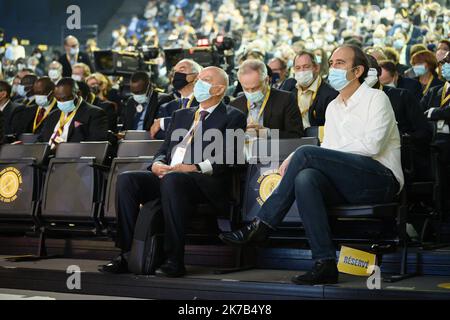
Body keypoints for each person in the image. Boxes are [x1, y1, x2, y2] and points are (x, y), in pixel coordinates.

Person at [219, 45, 404, 286]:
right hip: (346, 181)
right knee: (306, 178)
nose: (333, 68)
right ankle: (324, 262)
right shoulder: (334, 106)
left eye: (340, 63)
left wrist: (304, 153)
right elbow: (328, 149)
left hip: (380, 179)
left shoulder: (377, 98)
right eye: (333, 63)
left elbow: (371, 147)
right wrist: (307, 155)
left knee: (306, 154)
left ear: (357, 70)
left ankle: (262, 224)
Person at [100, 66, 247, 277]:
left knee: (174, 180)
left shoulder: (234, 116)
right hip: (169, 173)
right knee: (127, 180)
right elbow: (162, 151)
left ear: (219, 89)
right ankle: (127, 254)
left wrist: (194, 167)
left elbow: (231, 157)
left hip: (202, 181)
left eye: (205, 80)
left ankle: (174, 259)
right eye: (198, 79)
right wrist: (157, 164)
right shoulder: (181, 115)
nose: (198, 83)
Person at [366, 55, 432, 181]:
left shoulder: (402, 96)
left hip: (399, 158)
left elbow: (424, 132)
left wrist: (402, 139)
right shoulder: (350, 101)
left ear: (378, 73)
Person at [230, 59, 303, 139]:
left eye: (255, 88)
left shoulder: (286, 100)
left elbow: (296, 135)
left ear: (267, 80)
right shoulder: (235, 105)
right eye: (246, 89)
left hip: (275, 150)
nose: (250, 92)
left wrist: (267, 133)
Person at [38, 78, 108, 145]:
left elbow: (95, 143)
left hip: (72, 155)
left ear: (78, 94)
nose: (61, 102)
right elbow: (40, 140)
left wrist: (63, 149)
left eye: (65, 98)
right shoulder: (53, 114)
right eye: (58, 99)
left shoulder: (95, 113)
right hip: (48, 155)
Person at [151, 59, 201, 140]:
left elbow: (201, 126)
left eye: (182, 70)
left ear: (197, 76)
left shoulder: (206, 102)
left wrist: (164, 123)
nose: (176, 74)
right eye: (174, 72)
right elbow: (158, 134)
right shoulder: (166, 107)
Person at [289, 51, 338, 129]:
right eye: (297, 68)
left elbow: (332, 127)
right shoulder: (289, 87)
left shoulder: (330, 94)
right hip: (291, 137)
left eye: (306, 67)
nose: (302, 71)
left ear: (316, 68)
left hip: (316, 138)